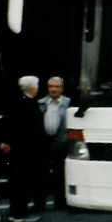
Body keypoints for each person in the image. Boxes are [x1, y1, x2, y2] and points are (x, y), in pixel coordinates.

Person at [0, 76, 47, 222]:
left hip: (20, 149)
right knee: (22, 182)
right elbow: (22, 128)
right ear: (32, 88)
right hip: (24, 150)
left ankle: (16, 212)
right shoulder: (27, 103)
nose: (38, 87)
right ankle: (20, 213)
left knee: (18, 181)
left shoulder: (20, 101)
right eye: (37, 85)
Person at [38, 76, 71, 209]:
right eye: (51, 86)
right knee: (42, 173)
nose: (53, 89)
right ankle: (40, 203)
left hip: (62, 142)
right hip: (44, 142)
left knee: (60, 173)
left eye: (56, 87)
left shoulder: (68, 103)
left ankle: (61, 202)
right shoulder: (41, 103)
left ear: (62, 89)